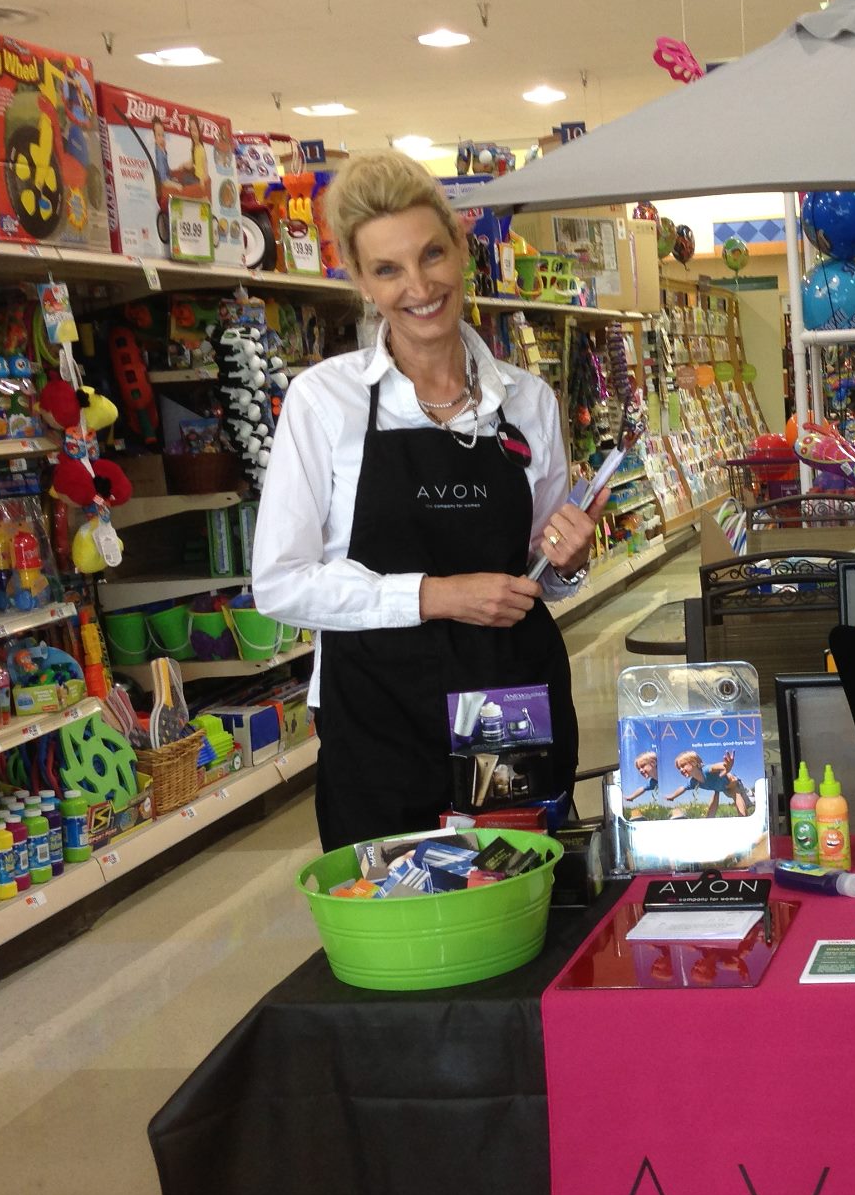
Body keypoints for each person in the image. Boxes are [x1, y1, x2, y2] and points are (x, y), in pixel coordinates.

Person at [252, 152, 599, 851]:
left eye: (432, 255)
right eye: (388, 269)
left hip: (510, 707)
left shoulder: (527, 401)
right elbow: (280, 583)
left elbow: (544, 574)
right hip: (379, 720)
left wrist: (569, 560)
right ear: (361, 280)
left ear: (461, 250)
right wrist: (435, 596)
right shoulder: (325, 402)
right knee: (393, 905)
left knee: (519, 890)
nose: (419, 286)